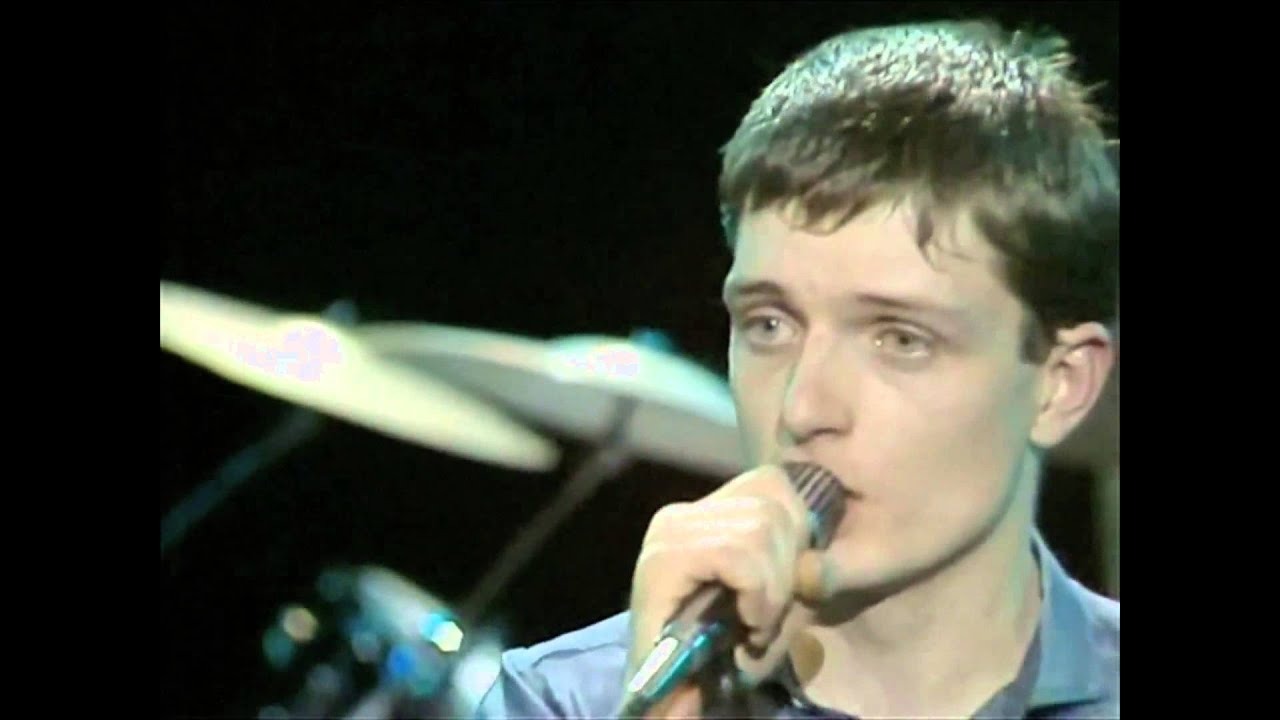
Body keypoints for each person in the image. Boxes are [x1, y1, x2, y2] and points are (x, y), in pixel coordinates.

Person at [475, 17, 1119, 720]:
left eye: (900, 339)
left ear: (1062, 384)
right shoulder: (563, 701)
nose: (803, 408)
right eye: (769, 325)